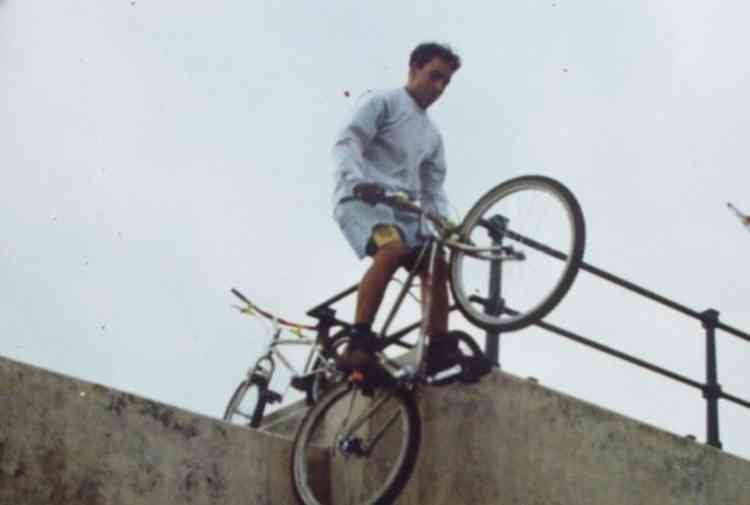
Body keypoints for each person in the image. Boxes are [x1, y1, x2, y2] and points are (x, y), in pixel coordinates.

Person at [332, 42, 461, 380]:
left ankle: (439, 347)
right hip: (364, 199)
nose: (438, 88)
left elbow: (433, 189)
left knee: (436, 260)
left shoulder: (433, 136)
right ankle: (358, 338)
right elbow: (349, 141)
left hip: (402, 210)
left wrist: (442, 224)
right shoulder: (383, 102)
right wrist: (358, 180)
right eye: (434, 77)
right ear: (414, 68)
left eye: (445, 83)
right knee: (392, 249)